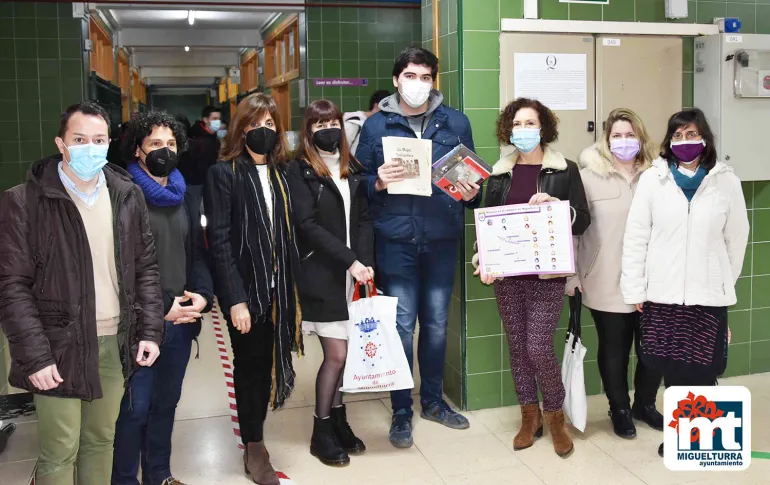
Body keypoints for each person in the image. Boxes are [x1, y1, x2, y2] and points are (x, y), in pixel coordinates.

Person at [0, 101, 164, 485]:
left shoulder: (126, 195)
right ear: (61, 143)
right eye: (79, 139)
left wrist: (151, 330)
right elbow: (11, 285)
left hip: (114, 339)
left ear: (109, 143)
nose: (90, 148)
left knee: (100, 440)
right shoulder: (24, 201)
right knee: (60, 449)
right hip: (56, 344)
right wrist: (35, 357)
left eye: (99, 140)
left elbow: (146, 268)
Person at [356, 46, 479, 449]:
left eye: (426, 77)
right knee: (402, 326)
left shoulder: (455, 122)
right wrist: (376, 181)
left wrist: (471, 192)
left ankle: (432, 402)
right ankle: (401, 412)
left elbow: (471, 182)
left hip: (442, 237)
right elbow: (359, 187)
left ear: (433, 81)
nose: (418, 84)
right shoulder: (376, 128)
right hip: (396, 241)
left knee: (438, 324)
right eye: (411, 75)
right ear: (396, 80)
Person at [621, 108, 749, 457]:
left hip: (707, 296)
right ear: (668, 142)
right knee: (672, 366)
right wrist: (634, 288)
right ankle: (684, 433)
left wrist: (722, 282)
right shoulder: (653, 180)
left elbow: (736, 239)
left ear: (705, 138)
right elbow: (636, 238)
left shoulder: (726, 181)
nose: (685, 142)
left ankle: (701, 436)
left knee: (705, 366)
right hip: (663, 293)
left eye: (692, 134)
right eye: (678, 136)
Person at [473, 98, 590, 458]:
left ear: (544, 128)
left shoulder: (564, 169)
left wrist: (557, 209)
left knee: (538, 346)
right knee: (519, 347)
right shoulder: (497, 174)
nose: (523, 130)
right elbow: (487, 223)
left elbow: (582, 219)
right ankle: (529, 417)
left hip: (547, 273)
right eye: (517, 124)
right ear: (508, 131)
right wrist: (485, 260)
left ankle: (556, 417)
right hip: (508, 275)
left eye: (530, 123)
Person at [111, 111, 214, 485]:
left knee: (165, 405)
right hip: (142, 320)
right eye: (155, 143)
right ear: (138, 149)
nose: (164, 150)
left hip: (181, 321)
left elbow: (197, 254)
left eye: (171, 144)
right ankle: (123, 479)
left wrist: (202, 296)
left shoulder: (183, 194)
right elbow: (121, 265)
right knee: (134, 409)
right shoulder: (123, 194)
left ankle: (159, 474)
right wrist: (163, 304)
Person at [204, 93, 301, 485]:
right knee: (250, 369)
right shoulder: (223, 173)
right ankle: (255, 447)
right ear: (241, 130)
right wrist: (235, 300)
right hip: (248, 290)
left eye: (270, 124)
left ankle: (256, 434)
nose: (262, 131)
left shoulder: (283, 172)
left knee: (267, 366)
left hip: (282, 289)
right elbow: (221, 242)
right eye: (253, 125)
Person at [287, 99, 374, 467]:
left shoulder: (352, 166)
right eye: (320, 124)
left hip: (356, 275)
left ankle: (339, 421)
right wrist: (350, 261)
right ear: (308, 131)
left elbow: (365, 218)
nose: (329, 129)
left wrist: (366, 262)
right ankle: (320, 430)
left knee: (349, 353)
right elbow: (307, 226)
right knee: (336, 355)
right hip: (323, 273)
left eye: (334, 122)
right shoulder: (299, 170)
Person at [567, 108, 663, 440]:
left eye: (630, 135)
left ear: (642, 137)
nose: (624, 142)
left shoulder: (659, 174)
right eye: (617, 136)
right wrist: (572, 276)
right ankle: (619, 408)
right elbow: (574, 231)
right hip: (605, 279)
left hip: (654, 282)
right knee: (614, 348)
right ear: (606, 139)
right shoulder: (587, 176)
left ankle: (645, 404)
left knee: (653, 348)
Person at [179, 106, 222, 228]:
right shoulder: (195, 139)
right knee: (195, 216)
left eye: (219, 118)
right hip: (195, 184)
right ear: (205, 119)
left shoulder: (214, 139)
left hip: (210, 183)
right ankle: (197, 245)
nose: (217, 122)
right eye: (214, 118)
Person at [343, 90, 390, 155]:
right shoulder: (354, 122)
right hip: (351, 163)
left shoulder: (377, 125)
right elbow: (342, 149)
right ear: (377, 105)